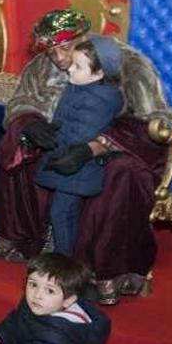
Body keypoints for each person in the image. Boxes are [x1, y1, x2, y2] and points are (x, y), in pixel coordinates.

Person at [0, 8, 172, 305]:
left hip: (114, 150)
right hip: (62, 144)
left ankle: (98, 271)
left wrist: (97, 147)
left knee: (123, 174)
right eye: (51, 51)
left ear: (84, 38)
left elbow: (152, 124)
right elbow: (21, 101)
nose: (60, 59)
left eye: (65, 48)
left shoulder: (126, 63)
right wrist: (30, 123)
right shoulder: (40, 67)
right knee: (19, 152)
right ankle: (30, 243)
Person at [35, 39, 124, 256]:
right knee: (60, 211)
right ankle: (61, 257)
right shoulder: (78, 85)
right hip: (67, 160)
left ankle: (64, 264)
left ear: (99, 73)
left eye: (77, 66)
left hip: (80, 166)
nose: (69, 70)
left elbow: (81, 134)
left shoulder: (102, 98)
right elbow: (63, 119)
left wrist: (54, 141)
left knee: (62, 213)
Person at [0, 253, 111, 344]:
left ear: (68, 300)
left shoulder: (58, 338)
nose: (37, 295)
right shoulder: (39, 304)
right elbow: (17, 319)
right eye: (33, 284)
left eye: (50, 290)